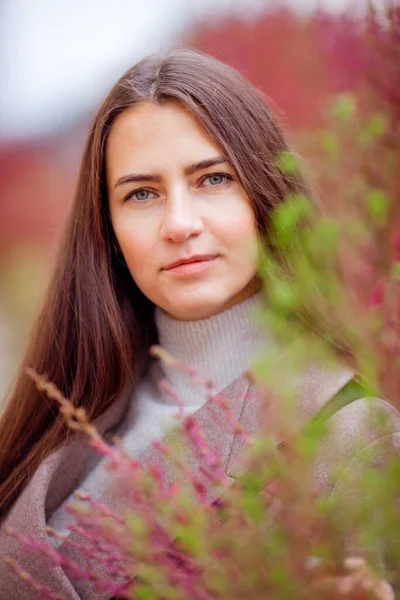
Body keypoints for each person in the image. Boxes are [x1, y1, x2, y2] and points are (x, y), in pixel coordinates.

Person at [0, 49, 399, 600]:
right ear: (108, 230)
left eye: (213, 179)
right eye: (142, 193)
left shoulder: (351, 435)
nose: (180, 224)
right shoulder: (59, 419)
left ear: (264, 195)